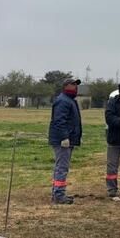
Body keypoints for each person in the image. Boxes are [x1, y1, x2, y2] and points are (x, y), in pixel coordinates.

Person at [48, 76, 82, 205]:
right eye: (73, 84)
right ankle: (59, 195)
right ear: (65, 86)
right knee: (62, 168)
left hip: (67, 139)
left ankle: (57, 193)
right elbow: (59, 121)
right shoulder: (63, 101)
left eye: (76, 84)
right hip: (62, 141)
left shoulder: (69, 100)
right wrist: (64, 137)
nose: (75, 87)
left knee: (60, 167)